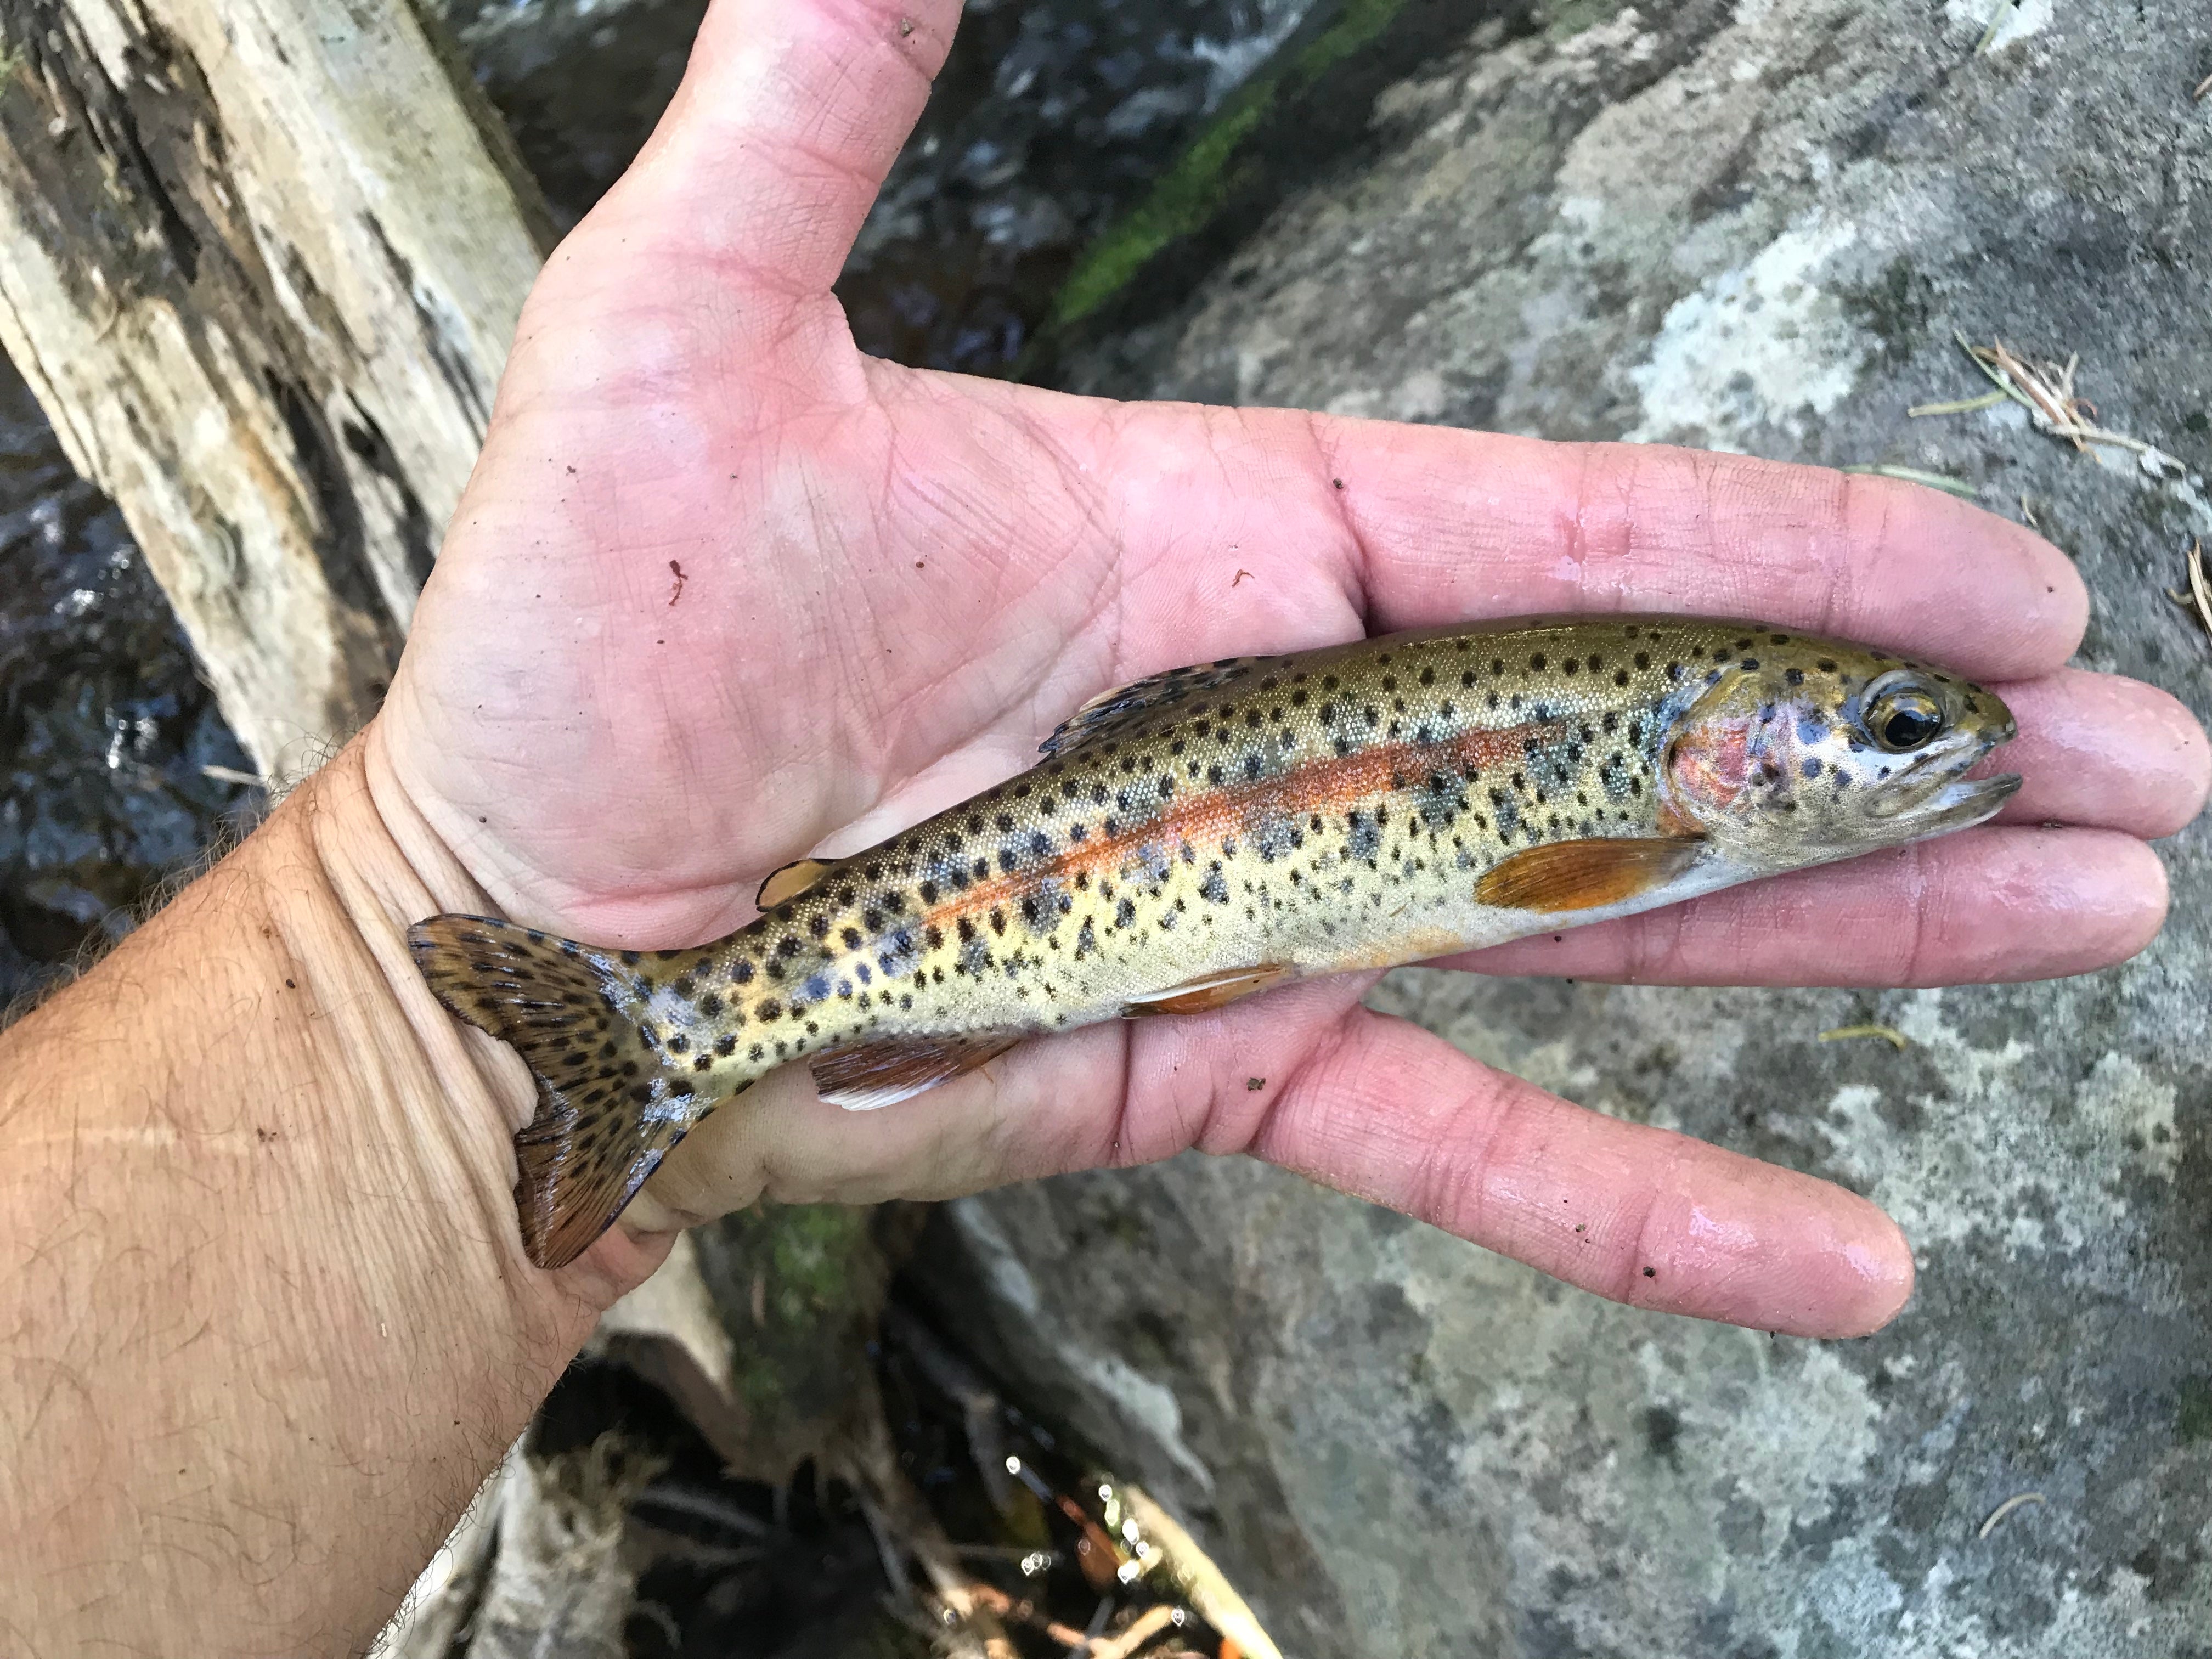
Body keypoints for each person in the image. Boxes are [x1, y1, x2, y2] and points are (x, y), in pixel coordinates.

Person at [4, 0, 2204, 1651]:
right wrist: (411, 1028)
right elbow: (1543, 879)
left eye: (1898, 734)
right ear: (1742, 748)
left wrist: (391, 1056)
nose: (1928, 755)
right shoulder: (1622, 823)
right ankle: (655, 1026)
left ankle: (654, 1029)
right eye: (1888, 730)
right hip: (1061, 898)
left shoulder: (1653, 789)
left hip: (1106, 893)